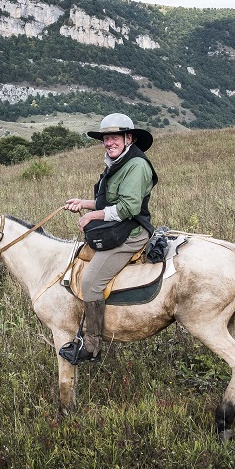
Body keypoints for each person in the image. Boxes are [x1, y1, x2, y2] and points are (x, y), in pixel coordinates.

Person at [59, 113, 158, 365]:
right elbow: (110, 200)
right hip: (120, 226)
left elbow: (128, 208)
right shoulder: (119, 162)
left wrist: (93, 215)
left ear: (129, 138)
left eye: (114, 137)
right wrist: (84, 203)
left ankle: (91, 345)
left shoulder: (137, 166)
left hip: (133, 232)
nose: (108, 142)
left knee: (91, 281)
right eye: (105, 138)